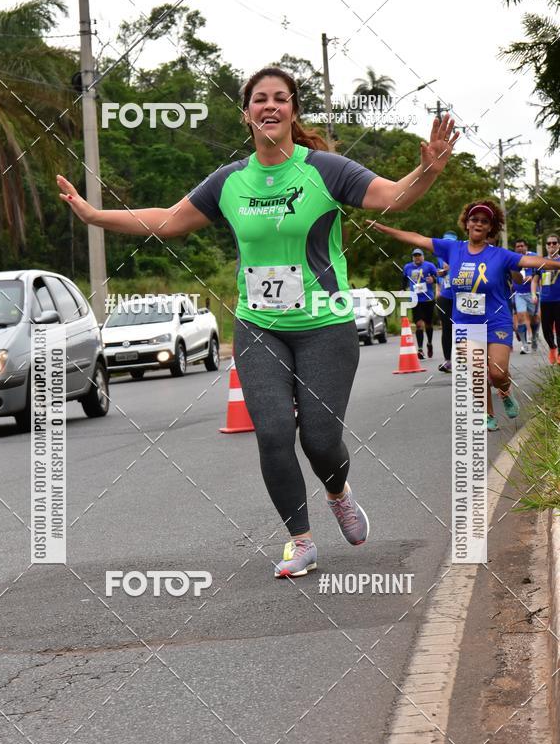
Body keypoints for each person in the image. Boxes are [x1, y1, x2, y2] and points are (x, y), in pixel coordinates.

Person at [56, 66, 459, 579]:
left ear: (293, 110)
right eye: (259, 99)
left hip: (325, 326)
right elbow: (166, 219)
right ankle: (301, 540)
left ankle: (337, 491)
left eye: (280, 99)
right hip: (258, 326)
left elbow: (391, 196)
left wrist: (430, 170)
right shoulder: (229, 181)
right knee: (271, 433)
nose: (270, 106)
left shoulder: (326, 170)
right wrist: (95, 216)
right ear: (245, 113)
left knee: (318, 438)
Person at [368, 201, 560, 431]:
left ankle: (505, 391)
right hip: (466, 322)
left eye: (484, 221)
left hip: (496, 319)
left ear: (491, 228)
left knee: (497, 373)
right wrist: (385, 228)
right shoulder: (452, 249)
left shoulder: (501, 255)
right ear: (466, 224)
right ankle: (487, 414)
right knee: (477, 372)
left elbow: (537, 262)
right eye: (474, 219)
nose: (478, 223)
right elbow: (417, 238)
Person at [402, 248, 438, 359]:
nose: (417, 257)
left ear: (423, 256)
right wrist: (402, 289)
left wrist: (433, 279)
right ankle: (420, 349)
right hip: (415, 300)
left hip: (428, 299)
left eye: (419, 255)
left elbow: (437, 278)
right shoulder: (407, 267)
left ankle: (430, 343)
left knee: (428, 324)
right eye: (415, 256)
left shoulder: (429, 266)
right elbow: (404, 279)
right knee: (418, 324)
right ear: (412, 257)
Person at [533, 233, 560, 365]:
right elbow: (534, 280)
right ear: (545, 246)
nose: (551, 245)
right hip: (545, 301)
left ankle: (559, 354)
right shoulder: (541, 262)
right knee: (546, 329)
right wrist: (533, 294)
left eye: (554, 243)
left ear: (558, 245)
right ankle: (552, 347)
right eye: (549, 243)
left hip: (559, 300)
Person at [512, 238, 539, 353]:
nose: (520, 248)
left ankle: (534, 337)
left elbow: (539, 272)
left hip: (532, 292)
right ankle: (524, 345)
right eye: (518, 246)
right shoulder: (512, 259)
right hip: (519, 294)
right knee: (522, 317)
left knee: (534, 319)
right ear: (515, 248)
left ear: (526, 247)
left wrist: (532, 278)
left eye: (522, 246)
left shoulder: (534, 256)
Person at [435, 231, 456, 372]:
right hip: (445, 295)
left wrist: (451, 268)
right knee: (446, 328)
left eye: (450, 242)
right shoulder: (440, 256)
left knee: (463, 327)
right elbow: (441, 275)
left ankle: (469, 359)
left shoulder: (463, 253)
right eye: (444, 242)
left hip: (461, 296)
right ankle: (448, 360)